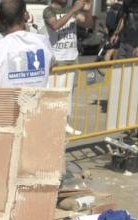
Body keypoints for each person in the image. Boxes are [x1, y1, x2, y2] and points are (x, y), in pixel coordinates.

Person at [0, 0, 54, 87]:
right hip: (39, 100)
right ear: (26, 16)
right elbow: (51, 66)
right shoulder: (43, 41)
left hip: (8, 100)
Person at [44, 0, 87, 135]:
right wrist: (74, 10)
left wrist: (87, 10)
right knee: (54, 94)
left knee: (68, 94)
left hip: (72, 58)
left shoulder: (70, 8)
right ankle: (50, 125)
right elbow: (55, 25)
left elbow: (88, 23)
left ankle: (64, 123)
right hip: (58, 59)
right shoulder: (49, 10)